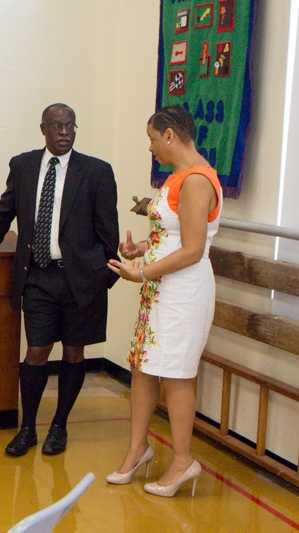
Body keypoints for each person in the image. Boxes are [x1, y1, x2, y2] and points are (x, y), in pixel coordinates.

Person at [0, 103, 119, 457]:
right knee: (36, 351)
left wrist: (101, 277)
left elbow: (107, 233)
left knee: (74, 351)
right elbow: (5, 210)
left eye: (70, 126)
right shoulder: (23, 165)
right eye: (57, 126)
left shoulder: (96, 171)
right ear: (43, 129)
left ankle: (59, 426)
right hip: (37, 276)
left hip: (80, 281)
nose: (64, 132)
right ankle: (27, 428)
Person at [106, 105, 222, 498]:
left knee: (176, 374)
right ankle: (138, 448)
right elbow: (172, 236)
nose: (151, 147)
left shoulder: (197, 180)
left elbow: (192, 250)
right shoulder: (176, 178)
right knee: (143, 367)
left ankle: (183, 460)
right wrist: (140, 248)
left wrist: (141, 273)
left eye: (153, 139)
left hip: (183, 291)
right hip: (161, 288)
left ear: (170, 135)